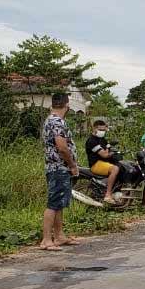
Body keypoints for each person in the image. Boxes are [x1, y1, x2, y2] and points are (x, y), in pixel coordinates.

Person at [42, 93, 80, 251]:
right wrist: (72, 165)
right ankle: (46, 240)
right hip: (59, 167)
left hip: (56, 167)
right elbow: (62, 147)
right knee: (53, 204)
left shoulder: (50, 119)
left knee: (59, 203)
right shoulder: (57, 121)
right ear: (67, 105)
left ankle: (59, 236)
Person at [85, 119, 121, 205]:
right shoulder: (91, 141)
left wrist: (113, 151)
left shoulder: (102, 139)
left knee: (122, 166)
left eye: (104, 130)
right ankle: (108, 195)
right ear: (94, 129)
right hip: (96, 164)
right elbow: (105, 155)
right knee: (114, 169)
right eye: (100, 130)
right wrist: (111, 152)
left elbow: (109, 148)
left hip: (105, 163)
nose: (102, 131)